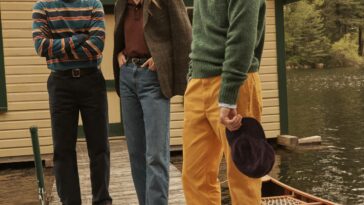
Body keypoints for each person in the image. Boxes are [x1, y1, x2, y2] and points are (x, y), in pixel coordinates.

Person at [182, 0, 266, 204]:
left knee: (243, 177)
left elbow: (243, 36)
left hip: (235, 87)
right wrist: (192, 75)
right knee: (195, 177)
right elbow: (201, 32)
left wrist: (228, 94)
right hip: (198, 84)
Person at [32, 0, 112, 204]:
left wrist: (59, 46)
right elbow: (41, 46)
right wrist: (79, 38)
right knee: (63, 150)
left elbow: (97, 45)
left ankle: (102, 200)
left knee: (99, 147)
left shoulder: (94, 4)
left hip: (92, 81)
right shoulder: (42, 6)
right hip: (60, 84)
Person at [113, 0, 191, 204]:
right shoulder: (121, 3)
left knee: (156, 155)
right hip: (127, 77)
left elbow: (185, 37)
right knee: (136, 154)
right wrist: (120, 53)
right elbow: (121, 37)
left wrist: (162, 59)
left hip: (152, 79)